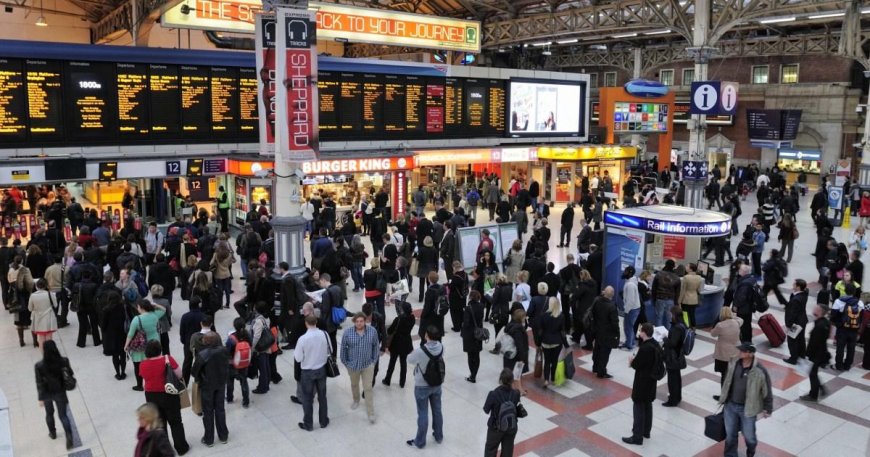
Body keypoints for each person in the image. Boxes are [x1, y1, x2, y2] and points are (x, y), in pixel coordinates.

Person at [718, 343, 773, 457]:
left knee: (749, 437)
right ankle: (730, 455)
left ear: (750, 354)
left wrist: (768, 408)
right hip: (730, 406)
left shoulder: (759, 371)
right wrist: (724, 396)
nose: (740, 352)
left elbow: (767, 390)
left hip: (748, 409)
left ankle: (751, 450)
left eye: (743, 351)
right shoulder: (734, 363)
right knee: (730, 435)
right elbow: (727, 380)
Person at [138, 340, 189, 455]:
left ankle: (164, 449)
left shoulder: (142, 364)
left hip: (151, 396)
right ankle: (181, 448)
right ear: (159, 350)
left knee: (159, 424)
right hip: (169, 394)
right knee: (175, 422)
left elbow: (143, 383)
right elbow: (180, 374)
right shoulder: (168, 359)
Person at [406, 326, 444, 449]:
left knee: (423, 413)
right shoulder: (441, 347)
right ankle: (438, 436)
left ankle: (420, 442)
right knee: (437, 411)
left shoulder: (421, 351)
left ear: (427, 336)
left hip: (422, 386)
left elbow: (409, 360)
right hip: (437, 384)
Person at [621, 323, 659, 446]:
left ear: (644, 332)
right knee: (648, 404)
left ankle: (637, 436)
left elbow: (636, 365)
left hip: (642, 380)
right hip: (652, 381)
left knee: (638, 406)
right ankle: (646, 431)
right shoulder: (656, 344)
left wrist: (632, 361)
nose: (639, 332)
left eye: (640, 331)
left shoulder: (645, 348)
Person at [340, 312, 380, 424]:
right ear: (354, 322)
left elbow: (376, 347)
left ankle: (371, 412)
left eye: (361, 321)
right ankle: (356, 400)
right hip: (353, 366)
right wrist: (346, 363)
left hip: (368, 365)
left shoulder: (372, 331)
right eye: (357, 321)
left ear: (365, 321)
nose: (359, 323)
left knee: (368, 388)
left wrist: (373, 361)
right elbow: (343, 349)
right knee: (354, 384)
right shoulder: (347, 333)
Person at [35, 340, 75, 450]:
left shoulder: (39, 366)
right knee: (63, 416)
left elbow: (39, 383)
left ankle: (52, 433)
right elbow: (70, 374)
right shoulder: (63, 361)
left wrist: (40, 398)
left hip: (47, 394)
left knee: (49, 413)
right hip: (60, 392)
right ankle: (69, 436)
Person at [191, 332, 229, 447]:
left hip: (207, 386)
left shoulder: (203, 354)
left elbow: (194, 372)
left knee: (208, 412)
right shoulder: (224, 350)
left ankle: (209, 439)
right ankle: (223, 436)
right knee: (220, 409)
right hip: (221, 384)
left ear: (206, 342)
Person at [295, 314, 330, 431]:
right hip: (321, 369)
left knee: (307, 398)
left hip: (307, 372)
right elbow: (331, 350)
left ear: (306, 323)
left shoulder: (302, 339)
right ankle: (323, 421)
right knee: (322, 397)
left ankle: (308, 424)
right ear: (316, 322)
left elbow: (298, 358)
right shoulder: (324, 334)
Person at [125, 300, 167, 392]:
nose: (137, 308)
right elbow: (164, 309)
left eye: (138, 307)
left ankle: (139, 385)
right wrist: (155, 304)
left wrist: (126, 346)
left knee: (137, 366)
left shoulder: (137, 319)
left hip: (141, 345)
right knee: (154, 363)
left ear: (141, 308)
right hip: (155, 342)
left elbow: (130, 334)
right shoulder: (155, 315)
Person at [483, 369, 524, 457]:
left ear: (500, 380)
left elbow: (486, 410)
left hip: (495, 428)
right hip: (511, 427)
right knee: (507, 452)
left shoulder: (493, 394)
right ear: (512, 381)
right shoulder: (516, 393)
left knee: (490, 450)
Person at [801, 305, 832, 402]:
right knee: (813, 373)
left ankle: (813, 395)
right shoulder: (825, 323)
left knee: (812, 374)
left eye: (815, 309)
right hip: (822, 352)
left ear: (819, 312)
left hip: (816, 354)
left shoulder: (819, 326)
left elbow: (814, 342)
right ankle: (822, 388)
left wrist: (807, 354)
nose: (813, 310)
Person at [710, 307, 742, 398]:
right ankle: (732, 394)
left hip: (723, 355)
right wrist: (732, 316)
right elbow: (741, 319)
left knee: (724, 375)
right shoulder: (737, 323)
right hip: (735, 353)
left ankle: (724, 396)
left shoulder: (720, 325)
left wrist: (717, 319)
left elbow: (712, 334)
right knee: (731, 374)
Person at [830, 283, 863, 371]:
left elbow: (833, 316)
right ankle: (847, 365)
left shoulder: (839, 301)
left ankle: (839, 365)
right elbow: (861, 317)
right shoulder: (860, 303)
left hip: (842, 329)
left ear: (844, 291)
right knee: (851, 348)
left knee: (840, 347)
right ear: (854, 292)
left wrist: (838, 324)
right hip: (854, 329)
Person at [382, 301, 415, 387]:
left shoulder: (398, 319)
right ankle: (402, 382)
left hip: (396, 343)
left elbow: (389, 331)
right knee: (403, 363)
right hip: (406, 342)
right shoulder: (412, 318)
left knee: (392, 361)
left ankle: (387, 379)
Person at [537, 297, 567, 388]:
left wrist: (538, 343)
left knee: (547, 361)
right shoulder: (561, 316)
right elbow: (562, 332)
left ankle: (546, 380)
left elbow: (540, 331)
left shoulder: (543, 315)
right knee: (554, 361)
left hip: (545, 341)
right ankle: (553, 378)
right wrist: (566, 344)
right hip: (557, 342)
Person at [99, 288, 128, 380]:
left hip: (111, 335)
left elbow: (103, 324)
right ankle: (123, 372)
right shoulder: (123, 307)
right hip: (122, 333)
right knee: (123, 354)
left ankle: (118, 373)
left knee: (115, 355)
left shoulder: (106, 310)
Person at [591, 286, 619, 378]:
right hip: (607, 333)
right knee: (604, 353)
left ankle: (595, 367)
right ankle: (601, 371)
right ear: (613, 294)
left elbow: (593, 314)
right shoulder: (612, 306)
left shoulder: (597, 301)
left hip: (597, 330)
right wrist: (617, 334)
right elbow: (614, 323)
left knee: (597, 350)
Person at [662, 306, 686, 407]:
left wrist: (664, 338)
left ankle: (673, 399)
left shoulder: (677, 328)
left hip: (673, 357)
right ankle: (677, 396)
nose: (670, 315)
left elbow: (672, 343)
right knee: (676, 378)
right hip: (677, 355)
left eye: (671, 314)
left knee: (672, 379)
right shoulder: (682, 325)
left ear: (674, 315)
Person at [225, 317, 250, 408]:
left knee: (230, 381)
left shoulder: (231, 339)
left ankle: (229, 398)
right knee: (244, 382)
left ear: (234, 326)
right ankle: (246, 401)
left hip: (232, 364)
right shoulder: (247, 334)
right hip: (244, 363)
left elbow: (227, 352)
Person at [461, 290, 485, 383]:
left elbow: (466, 323)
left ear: (470, 297)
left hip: (469, 335)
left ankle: (472, 375)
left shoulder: (468, 308)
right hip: (479, 333)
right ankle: (474, 374)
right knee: (477, 354)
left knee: (470, 355)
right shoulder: (481, 306)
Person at [783, 279, 809, 365]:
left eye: (794, 284)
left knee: (792, 340)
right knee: (801, 339)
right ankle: (802, 355)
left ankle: (793, 358)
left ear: (798, 287)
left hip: (796, 323)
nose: (792, 285)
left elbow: (792, 313)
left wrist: (789, 324)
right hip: (803, 321)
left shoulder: (796, 300)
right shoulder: (804, 294)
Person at [730, 264, 757, 342]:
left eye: (740, 270)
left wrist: (735, 305)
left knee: (743, 325)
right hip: (749, 307)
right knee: (747, 324)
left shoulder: (745, 284)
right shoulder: (752, 279)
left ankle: (745, 341)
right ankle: (748, 339)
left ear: (744, 272)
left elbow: (741, 297)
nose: (739, 271)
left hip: (743, 309)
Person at [28, 278, 57, 349]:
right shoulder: (50, 294)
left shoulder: (32, 296)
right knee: (49, 338)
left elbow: (30, 309)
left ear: (36, 286)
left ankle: (44, 356)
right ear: (46, 286)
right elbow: (55, 305)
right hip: (49, 318)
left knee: (41, 340)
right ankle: (50, 355)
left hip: (38, 320)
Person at [651, 259, 680, 329]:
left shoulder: (659, 274)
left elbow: (654, 288)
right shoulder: (676, 277)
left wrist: (654, 299)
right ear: (673, 266)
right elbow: (677, 292)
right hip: (670, 299)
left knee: (658, 317)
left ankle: (658, 334)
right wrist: (676, 302)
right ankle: (668, 335)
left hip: (659, 298)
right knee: (669, 318)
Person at [419, 271, 446, 338]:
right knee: (438, 336)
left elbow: (427, 307)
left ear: (429, 279)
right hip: (439, 315)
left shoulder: (430, 291)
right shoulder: (442, 288)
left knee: (429, 336)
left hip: (431, 317)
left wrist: (422, 316)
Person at [621, 266, 640, 350]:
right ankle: (630, 342)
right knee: (629, 327)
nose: (624, 272)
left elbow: (631, 301)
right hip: (633, 309)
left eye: (625, 271)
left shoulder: (630, 285)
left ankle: (629, 345)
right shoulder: (630, 282)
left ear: (630, 272)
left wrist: (626, 310)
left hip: (631, 309)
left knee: (628, 327)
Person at [678, 263, 703, 328]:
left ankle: (686, 328)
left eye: (687, 266)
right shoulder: (699, 277)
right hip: (694, 299)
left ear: (690, 269)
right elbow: (699, 290)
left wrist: (679, 301)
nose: (686, 267)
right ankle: (693, 328)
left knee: (685, 315)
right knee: (692, 314)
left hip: (686, 299)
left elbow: (683, 291)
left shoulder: (686, 277)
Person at [448, 261, 469, 332]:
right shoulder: (465, 274)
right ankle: (462, 324)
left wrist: (449, 283)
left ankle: (457, 327)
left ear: (454, 267)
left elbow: (451, 287)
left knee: (454, 312)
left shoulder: (456, 277)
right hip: (463, 296)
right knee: (461, 311)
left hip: (455, 297)